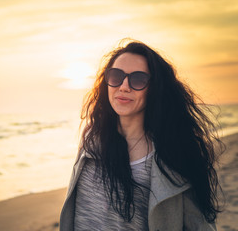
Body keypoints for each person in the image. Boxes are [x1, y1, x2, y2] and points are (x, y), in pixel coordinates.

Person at [59, 40, 223, 231]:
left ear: (154, 88)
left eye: (137, 79)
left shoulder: (174, 154)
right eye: (116, 76)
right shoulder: (92, 138)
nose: (124, 86)